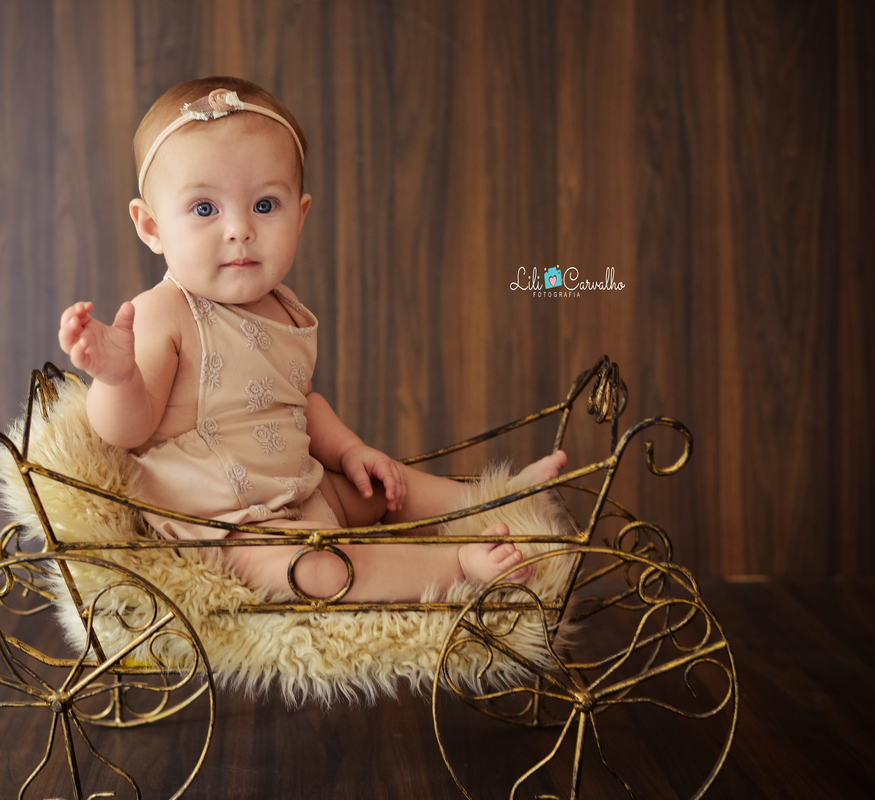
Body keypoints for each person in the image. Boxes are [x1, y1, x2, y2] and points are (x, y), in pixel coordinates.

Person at [58, 76, 566, 602]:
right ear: (152, 226)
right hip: (232, 531)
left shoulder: (286, 307)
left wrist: (349, 450)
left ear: (299, 216)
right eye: (205, 209)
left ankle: (494, 500)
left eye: (264, 205)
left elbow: (300, 403)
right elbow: (127, 430)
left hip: (304, 491)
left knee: (391, 489)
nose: (239, 229)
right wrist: (119, 378)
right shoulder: (164, 313)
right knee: (320, 571)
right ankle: (455, 564)